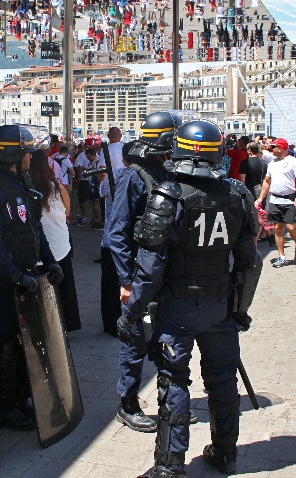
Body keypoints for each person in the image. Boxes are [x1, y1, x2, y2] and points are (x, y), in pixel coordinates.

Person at [117, 120, 259, 478]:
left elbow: (149, 268)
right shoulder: (238, 195)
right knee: (224, 380)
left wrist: (131, 314)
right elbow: (249, 263)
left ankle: (169, 467)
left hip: (177, 309)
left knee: (174, 383)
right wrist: (240, 311)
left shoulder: (168, 195)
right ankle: (225, 452)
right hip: (219, 307)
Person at [0, 124, 62, 431]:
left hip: (23, 275)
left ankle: (19, 398)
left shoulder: (20, 180)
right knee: (2, 342)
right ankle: (3, 406)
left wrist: (49, 262)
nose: (32, 159)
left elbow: (33, 228)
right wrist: (13, 274)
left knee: (24, 342)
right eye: (27, 154)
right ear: (14, 156)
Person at [106, 111, 181, 433]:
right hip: (138, 275)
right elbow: (116, 233)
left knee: (167, 339)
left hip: (165, 274)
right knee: (134, 341)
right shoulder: (134, 176)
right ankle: (128, 403)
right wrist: (126, 280)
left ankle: (168, 403)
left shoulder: (167, 172)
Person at [29, 149, 80, 332]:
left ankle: (42, 325)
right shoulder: (56, 185)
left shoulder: (25, 186)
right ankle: (66, 324)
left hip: (37, 246)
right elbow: (68, 211)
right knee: (64, 287)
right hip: (60, 243)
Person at [257, 138, 296, 268]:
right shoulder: (272, 163)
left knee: (290, 227)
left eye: (274, 147)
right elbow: (267, 181)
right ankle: (282, 256)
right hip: (275, 199)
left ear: (281, 148)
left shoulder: (294, 162)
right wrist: (261, 197)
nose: (271, 149)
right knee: (278, 228)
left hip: (289, 199)